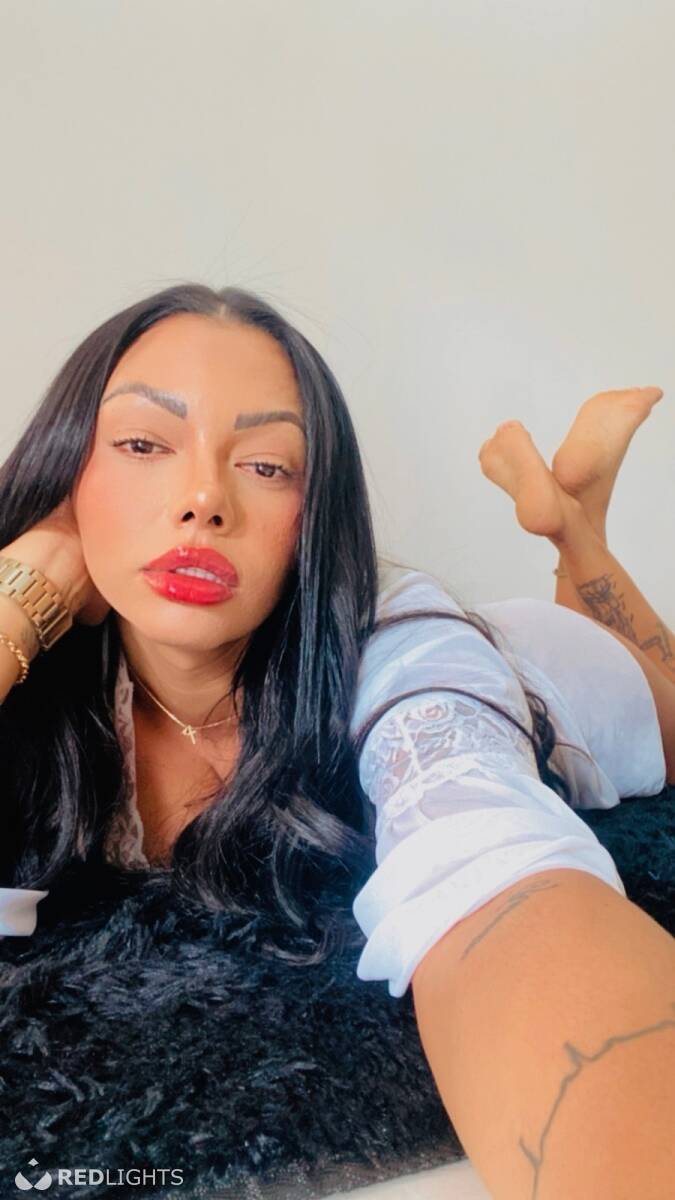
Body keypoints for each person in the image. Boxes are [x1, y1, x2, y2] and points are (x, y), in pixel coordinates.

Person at [0, 285, 673, 1197]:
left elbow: (483, 850)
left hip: (552, 668)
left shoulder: (398, 651)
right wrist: (25, 591)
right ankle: (567, 514)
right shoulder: (53, 678)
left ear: (316, 515)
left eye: (267, 465)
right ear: (64, 472)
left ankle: (576, 535)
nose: (202, 499)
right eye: (143, 446)